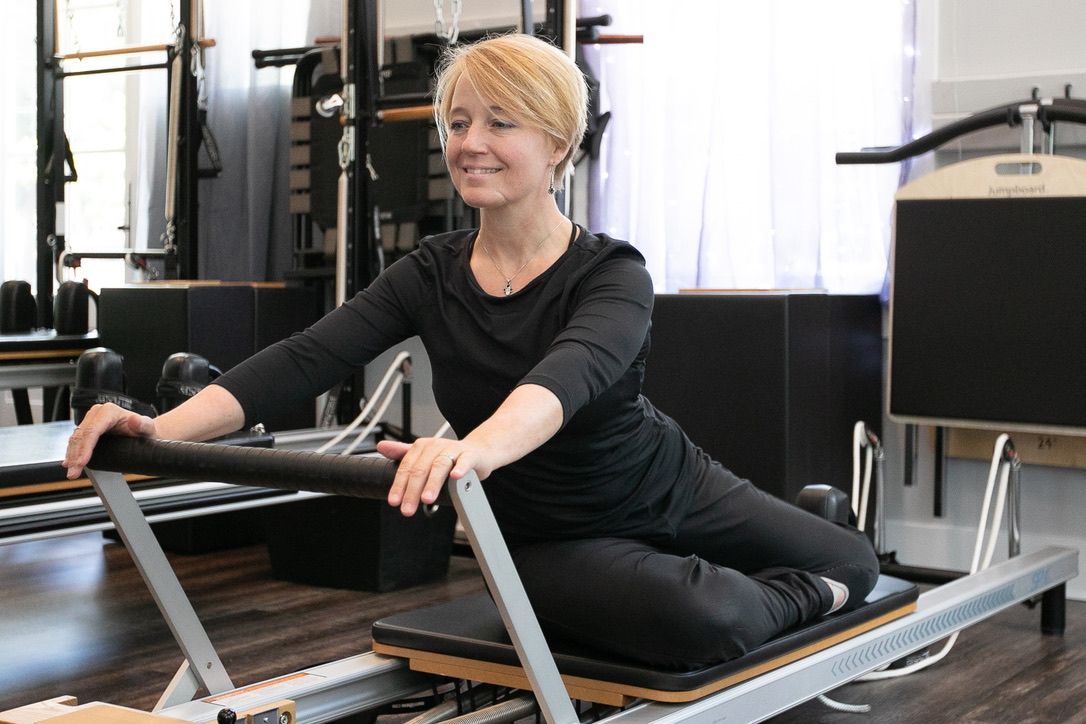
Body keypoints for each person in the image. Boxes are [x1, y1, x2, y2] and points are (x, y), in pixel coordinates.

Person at [64, 33, 878, 671]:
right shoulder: (430, 274)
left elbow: (567, 378)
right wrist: (162, 430)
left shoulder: (613, 273)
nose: (469, 143)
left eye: (500, 122)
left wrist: (466, 448)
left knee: (850, 556)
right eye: (458, 122)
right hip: (547, 538)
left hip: (668, 483)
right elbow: (305, 358)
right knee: (718, 620)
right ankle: (709, 588)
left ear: (558, 144)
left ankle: (714, 571)